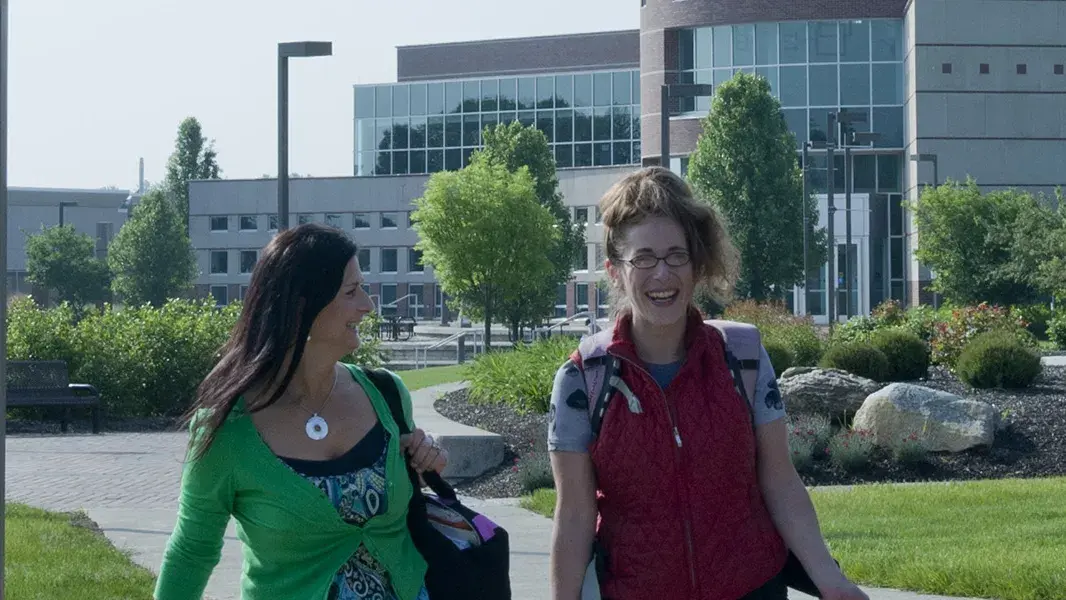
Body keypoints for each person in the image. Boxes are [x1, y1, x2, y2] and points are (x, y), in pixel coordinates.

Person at [547, 167, 867, 600]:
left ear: (698, 266)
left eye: (676, 255)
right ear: (615, 271)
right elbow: (575, 516)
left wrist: (831, 580)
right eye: (643, 258)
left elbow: (779, 479)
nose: (662, 274)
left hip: (751, 587)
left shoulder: (744, 356)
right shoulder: (583, 378)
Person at [154, 222, 447, 600]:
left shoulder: (386, 394)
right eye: (350, 291)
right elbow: (192, 551)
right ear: (303, 307)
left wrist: (424, 462)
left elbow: (404, 512)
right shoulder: (226, 429)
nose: (367, 305)